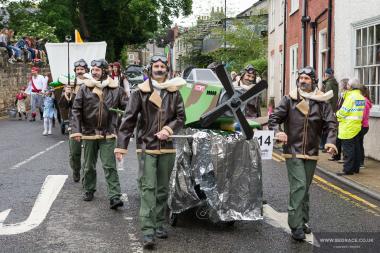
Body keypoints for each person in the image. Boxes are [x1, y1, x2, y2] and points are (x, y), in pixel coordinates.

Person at [115, 55, 186, 249]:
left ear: (167, 70)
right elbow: (128, 119)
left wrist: (168, 129)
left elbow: (181, 118)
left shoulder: (174, 92)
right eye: (156, 66)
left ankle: (159, 224)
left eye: (162, 66)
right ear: (150, 69)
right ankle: (147, 231)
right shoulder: (140, 92)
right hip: (146, 146)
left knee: (163, 189)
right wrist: (121, 146)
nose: (159, 69)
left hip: (168, 147)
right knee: (148, 188)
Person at [268, 66, 337, 241]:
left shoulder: (322, 102)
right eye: (301, 78)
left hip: (312, 152)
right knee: (298, 186)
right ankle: (295, 225)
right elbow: (274, 119)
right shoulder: (289, 99)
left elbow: (331, 124)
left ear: (314, 81)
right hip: (293, 150)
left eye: (307, 78)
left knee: (305, 188)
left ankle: (303, 221)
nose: (303, 81)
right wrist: (278, 132)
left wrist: (330, 141)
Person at [70, 59, 126, 209]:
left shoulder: (116, 89)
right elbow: (76, 110)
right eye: (93, 69)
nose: (94, 72)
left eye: (97, 69)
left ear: (104, 71)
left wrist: (123, 119)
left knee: (109, 166)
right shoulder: (84, 88)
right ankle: (89, 189)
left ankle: (114, 196)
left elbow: (128, 109)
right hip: (88, 133)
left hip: (108, 133)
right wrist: (76, 130)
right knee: (88, 165)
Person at [59, 59, 90, 182]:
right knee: (74, 152)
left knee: (89, 153)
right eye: (77, 69)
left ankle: (87, 175)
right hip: (75, 122)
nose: (80, 71)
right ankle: (76, 170)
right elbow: (63, 105)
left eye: (82, 69)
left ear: (86, 70)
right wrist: (66, 94)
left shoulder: (92, 83)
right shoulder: (70, 85)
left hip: (89, 123)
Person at [336, 78, 365, 175]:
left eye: (348, 84)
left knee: (348, 150)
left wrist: (337, 115)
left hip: (348, 127)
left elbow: (344, 111)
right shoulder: (361, 97)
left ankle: (347, 170)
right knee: (356, 149)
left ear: (351, 86)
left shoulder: (350, 97)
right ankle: (356, 168)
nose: (346, 86)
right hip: (357, 126)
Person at [329, 78, 349, 162]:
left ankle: (344, 158)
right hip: (338, 119)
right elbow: (339, 106)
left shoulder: (347, 95)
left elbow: (344, 107)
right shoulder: (341, 94)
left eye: (340, 85)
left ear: (344, 86)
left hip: (344, 121)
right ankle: (336, 156)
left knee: (343, 140)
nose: (339, 86)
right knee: (338, 139)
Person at [319, 68, 339, 151]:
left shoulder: (328, 84)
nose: (325, 76)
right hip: (333, 108)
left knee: (325, 128)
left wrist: (324, 108)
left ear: (327, 75)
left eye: (326, 75)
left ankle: (323, 145)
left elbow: (327, 98)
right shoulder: (335, 83)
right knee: (330, 127)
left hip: (328, 108)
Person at [358, 85, 372, 169]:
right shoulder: (364, 100)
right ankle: (359, 162)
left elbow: (361, 114)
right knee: (359, 144)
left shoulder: (362, 100)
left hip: (362, 125)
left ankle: (360, 162)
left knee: (358, 144)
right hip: (363, 125)